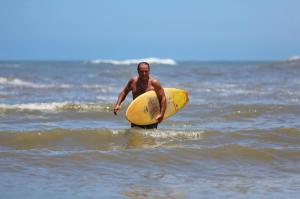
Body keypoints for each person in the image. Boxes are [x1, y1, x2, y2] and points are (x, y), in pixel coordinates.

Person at [113, 62, 166, 129]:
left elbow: (163, 98)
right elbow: (124, 92)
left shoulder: (154, 83)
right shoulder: (133, 82)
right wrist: (118, 104)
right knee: (136, 135)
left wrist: (161, 114)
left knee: (150, 136)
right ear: (138, 71)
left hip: (151, 113)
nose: (144, 74)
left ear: (149, 71)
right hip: (137, 113)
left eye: (146, 71)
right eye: (141, 71)